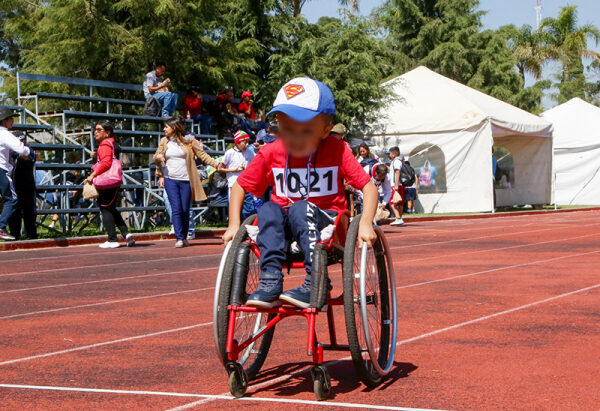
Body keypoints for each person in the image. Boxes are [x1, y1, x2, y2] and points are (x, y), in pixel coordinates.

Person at [222, 77, 378, 309]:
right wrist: (234, 224)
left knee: (300, 207)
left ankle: (316, 282)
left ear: (326, 130)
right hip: (285, 230)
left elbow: (368, 186)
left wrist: (365, 222)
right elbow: (240, 186)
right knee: (268, 209)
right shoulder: (271, 152)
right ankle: (271, 279)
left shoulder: (337, 149)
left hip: (329, 227)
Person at [154, 117, 220, 248]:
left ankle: (184, 236)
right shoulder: (164, 141)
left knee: (185, 209)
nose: (164, 129)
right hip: (170, 179)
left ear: (174, 127)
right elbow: (156, 155)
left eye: (166, 127)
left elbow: (203, 155)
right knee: (176, 208)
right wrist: (159, 163)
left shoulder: (189, 140)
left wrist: (217, 164)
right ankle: (179, 237)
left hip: (186, 180)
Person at [85, 121, 135, 249]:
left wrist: (92, 175)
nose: (95, 132)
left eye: (99, 129)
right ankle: (126, 233)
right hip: (112, 181)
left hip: (107, 181)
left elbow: (106, 163)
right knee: (111, 208)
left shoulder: (105, 144)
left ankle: (112, 238)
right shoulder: (110, 143)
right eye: (95, 129)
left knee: (105, 208)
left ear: (107, 132)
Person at [0, 107, 31, 241]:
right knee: (12, 199)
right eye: (11, 119)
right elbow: (20, 148)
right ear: (4, 121)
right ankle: (0, 226)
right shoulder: (4, 134)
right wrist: (27, 151)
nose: (12, 121)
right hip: (1, 169)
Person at [218, 130, 256, 219]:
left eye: (248, 142)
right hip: (234, 185)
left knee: (249, 209)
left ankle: (246, 227)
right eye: (245, 142)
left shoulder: (249, 152)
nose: (247, 144)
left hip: (247, 185)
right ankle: (236, 229)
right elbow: (220, 168)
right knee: (235, 210)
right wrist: (234, 170)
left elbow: (256, 162)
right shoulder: (230, 153)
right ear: (238, 142)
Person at [8, 133, 38, 239]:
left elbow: (28, 156)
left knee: (29, 211)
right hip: (14, 185)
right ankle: (14, 234)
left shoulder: (29, 150)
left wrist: (17, 152)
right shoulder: (9, 151)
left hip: (27, 186)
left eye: (22, 141)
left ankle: (32, 235)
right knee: (14, 211)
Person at [387, 146, 404, 226]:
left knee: (392, 202)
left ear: (394, 154)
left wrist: (396, 185)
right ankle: (399, 218)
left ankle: (398, 218)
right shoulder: (398, 161)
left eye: (389, 153)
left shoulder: (396, 161)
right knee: (399, 202)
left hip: (396, 185)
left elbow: (397, 172)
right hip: (400, 185)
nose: (388, 155)